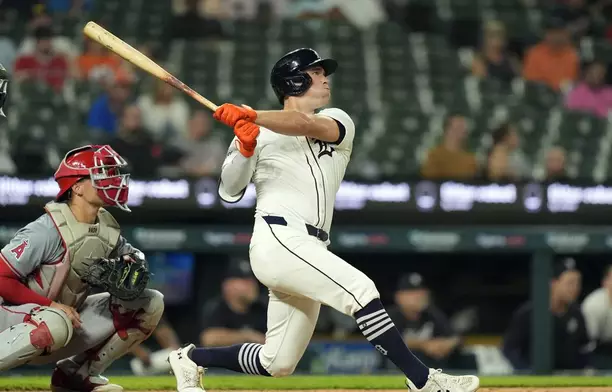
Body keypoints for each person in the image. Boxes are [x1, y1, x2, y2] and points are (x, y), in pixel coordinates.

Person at [167, 48, 479, 392]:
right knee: (361, 291)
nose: (325, 77)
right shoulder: (255, 132)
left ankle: (192, 359)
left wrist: (251, 116)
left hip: (312, 244)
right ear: (294, 81)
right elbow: (229, 190)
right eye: (315, 72)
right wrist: (243, 147)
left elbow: (302, 123)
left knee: (278, 362)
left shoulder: (337, 118)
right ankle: (423, 380)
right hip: (278, 238)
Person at [0, 144, 165, 391]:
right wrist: (51, 306)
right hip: (11, 319)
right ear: (76, 187)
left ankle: (76, 376)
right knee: (57, 321)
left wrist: (135, 262)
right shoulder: (47, 228)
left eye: (112, 172)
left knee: (150, 303)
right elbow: (2, 278)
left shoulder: (107, 228)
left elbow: (132, 257)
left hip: (61, 320)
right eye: (102, 173)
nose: (113, 179)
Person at [502, 259, 591, 371]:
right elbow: (509, 349)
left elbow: (583, 348)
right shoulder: (529, 312)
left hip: (569, 379)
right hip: (536, 379)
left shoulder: (576, 313)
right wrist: (525, 371)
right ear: (553, 283)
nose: (576, 288)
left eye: (578, 283)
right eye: (570, 283)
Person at [387, 273, 477, 371]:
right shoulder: (390, 315)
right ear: (399, 297)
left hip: (432, 367)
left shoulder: (432, 314)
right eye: (412, 292)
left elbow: (455, 338)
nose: (419, 296)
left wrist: (445, 345)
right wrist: (424, 345)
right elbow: (388, 342)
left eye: (421, 291)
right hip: (397, 370)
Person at [199, 259, 267, 347]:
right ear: (228, 286)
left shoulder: (262, 308)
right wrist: (247, 336)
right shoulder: (217, 307)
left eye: (252, 281)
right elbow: (208, 339)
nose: (252, 285)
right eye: (245, 282)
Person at [523, 18, 579, 91]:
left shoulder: (572, 55)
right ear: (546, 35)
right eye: (552, 33)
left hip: (563, 96)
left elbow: (571, 81)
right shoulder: (535, 53)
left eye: (559, 33)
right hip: (539, 94)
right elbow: (531, 80)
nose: (556, 37)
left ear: (566, 34)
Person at [420, 114, 477, 180]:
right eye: (457, 128)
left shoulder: (470, 159)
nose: (461, 132)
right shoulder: (434, 156)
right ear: (447, 130)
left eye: (463, 129)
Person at [470, 21, 520, 85]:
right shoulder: (479, 61)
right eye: (493, 35)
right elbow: (481, 84)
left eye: (500, 35)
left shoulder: (512, 60)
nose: (497, 39)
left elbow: (521, 81)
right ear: (485, 38)